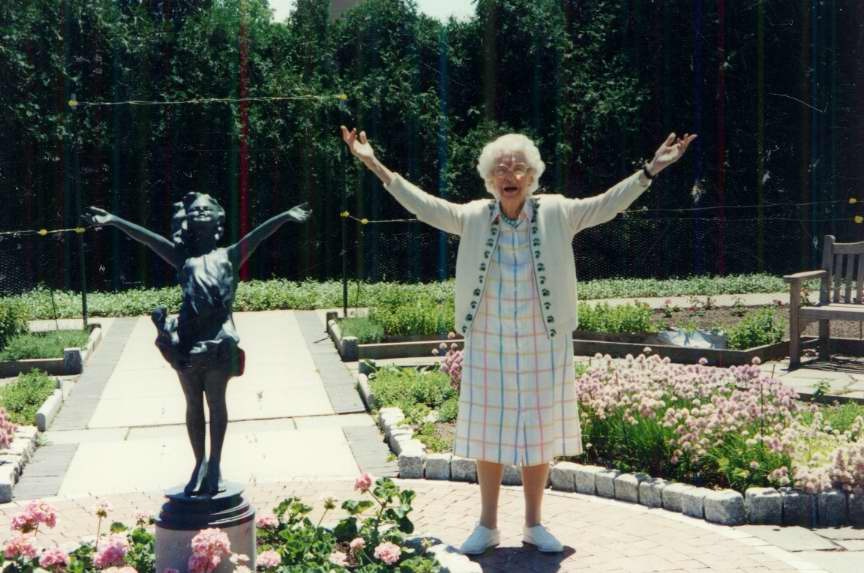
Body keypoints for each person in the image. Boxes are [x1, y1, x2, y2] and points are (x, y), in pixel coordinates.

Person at [341, 125, 696, 553]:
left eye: (519, 168)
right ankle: (487, 525)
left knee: (540, 431)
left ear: (532, 177)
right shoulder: (473, 215)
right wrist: (372, 162)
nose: (510, 175)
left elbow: (607, 204)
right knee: (487, 431)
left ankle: (534, 524)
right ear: (491, 180)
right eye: (501, 169)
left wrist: (650, 170)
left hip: (543, 337)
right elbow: (424, 205)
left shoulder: (558, 212)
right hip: (488, 336)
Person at [84, 194, 311, 496]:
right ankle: (199, 462)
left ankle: (215, 463)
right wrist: (114, 220)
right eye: (195, 210)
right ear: (187, 220)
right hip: (187, 342)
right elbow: (149, 240)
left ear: (219, 218)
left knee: (216, 402)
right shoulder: (183, 258)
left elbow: (258, 235)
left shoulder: (230, 255)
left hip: (218, 341)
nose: (201, 212)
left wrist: (284, 215)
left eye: (207, 208)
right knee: (193, 403)